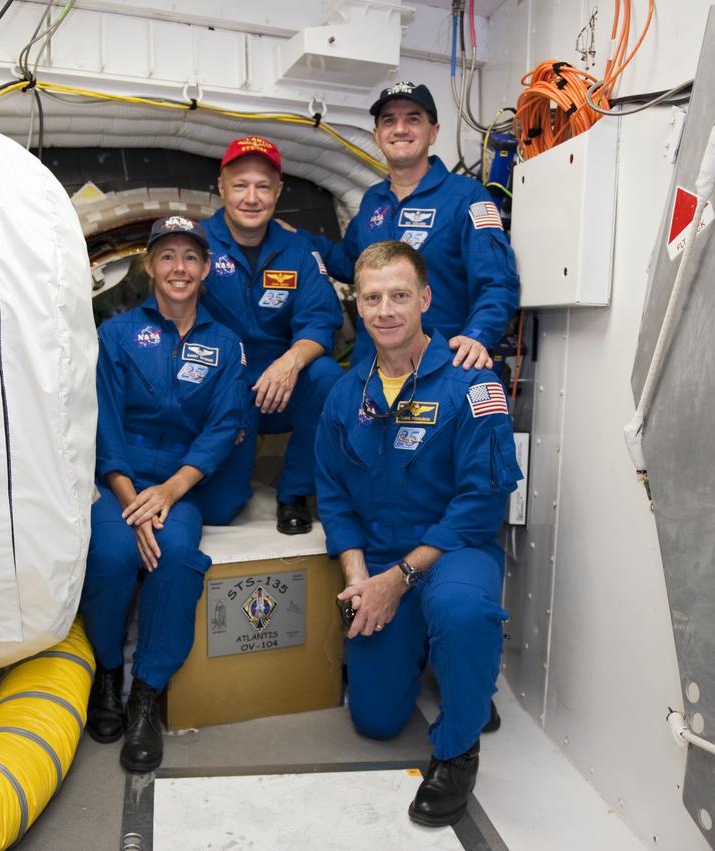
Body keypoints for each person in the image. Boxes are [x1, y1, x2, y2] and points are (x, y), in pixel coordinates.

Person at [315, 241, 523, 826]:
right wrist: (359, 576)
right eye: (372, 298)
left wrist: (400, 580)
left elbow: (482, 503)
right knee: (377, 722)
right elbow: (332, 494)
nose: (385, 310)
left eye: (400, 296)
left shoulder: (471, 384)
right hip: (379, 555)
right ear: (358, 306)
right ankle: (451, 670)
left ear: (425, 299)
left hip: (453, 547)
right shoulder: (343, 394)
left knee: (462, 612)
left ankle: (458, 749)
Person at [81, 216, 246, 773]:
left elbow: (223, 428)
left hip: (182, 485)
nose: (180, 268)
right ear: (149, 266)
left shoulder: (225, 345)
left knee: (174, 557)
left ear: (205, 270)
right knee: (110, 554)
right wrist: (132, 502)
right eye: (168, 256)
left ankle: (146, 694)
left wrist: (169, 495)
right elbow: (103, 423)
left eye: (191, 258)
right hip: (119, 482)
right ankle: (106, 674)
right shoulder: (117, 335)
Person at [303, 81, 520, 372]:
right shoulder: (373, 201)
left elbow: (497, 281)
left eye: (413, 119)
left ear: (433, 132)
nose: (400, 129)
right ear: (377, 135)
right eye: (389, 121)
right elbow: (347, 263)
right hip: (372, 367)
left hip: (441, 364)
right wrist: (296, 239)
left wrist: (475, 336)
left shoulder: (468, 197)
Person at [193, 135, 344, 535]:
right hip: (224, 388)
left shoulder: (298, 250)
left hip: (282, 387)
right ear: (222, 187)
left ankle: (294, 491)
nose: (251, 197)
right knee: (219, 509)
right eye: (240, 185)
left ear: (277, 192)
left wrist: (290, 362)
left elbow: (320, 320)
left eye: (262, 186)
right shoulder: (196, 244)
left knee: (328, 377)